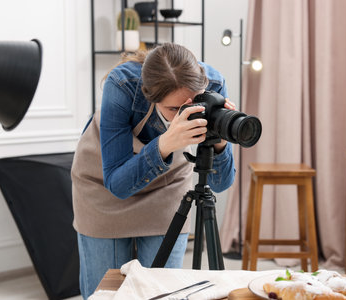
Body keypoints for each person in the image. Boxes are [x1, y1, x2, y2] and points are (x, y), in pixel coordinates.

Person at [71, 43, 236, 299]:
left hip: (168, 185)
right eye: (173, 109)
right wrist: (166, 143)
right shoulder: (123, 84)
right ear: (150, 95)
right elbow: (117, 184)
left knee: (163, 292)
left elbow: (221, 183)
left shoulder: (213, 84)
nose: (183, 115)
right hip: (104, 186)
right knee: (108, 293)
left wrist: (220, 141)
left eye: (192, 104)